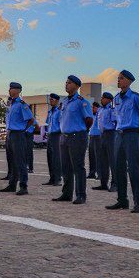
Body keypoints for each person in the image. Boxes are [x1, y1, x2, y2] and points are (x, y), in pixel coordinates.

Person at [106, 70, 139, 213]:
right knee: (118, 168)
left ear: (129, 81)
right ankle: (122, 200)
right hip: (119, 135)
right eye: (118, 78)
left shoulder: (135, 97)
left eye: (121, 78)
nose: (118, 80)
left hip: (131, 134)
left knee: (134, 169)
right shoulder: (116, 98)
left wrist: (137, 128)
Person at [53, 75, 93, 205]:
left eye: (69, 83)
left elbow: (89, 120)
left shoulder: (82, 102)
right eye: (66, 82)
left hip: (77, 136)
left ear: (76, 86)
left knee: (78, 167)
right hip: (64, 137)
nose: (66, 84)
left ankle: (81, 195)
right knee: (66, 167)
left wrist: (82, 130)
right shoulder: (64, 102)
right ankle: (67, 193)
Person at [0, 82, 33, 195]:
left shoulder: (21, 104)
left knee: (20, 161)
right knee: (11, 160)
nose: (9, 90)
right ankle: (12, 184)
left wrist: (23, 129)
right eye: (9, 88)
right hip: (10, 134)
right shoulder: (10, 104)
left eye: (12, 88)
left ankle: (23, 186)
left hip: (18, 134)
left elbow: (31, 119)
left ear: (18, 90)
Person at [93, 92, 116, 192]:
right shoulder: (100, 110)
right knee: (103, 160)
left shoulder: (112, 110)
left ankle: (115, 184)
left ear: (109, 100)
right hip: (102, 135)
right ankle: (103, 183)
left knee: (112, 161)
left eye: (103, 98)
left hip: (111, 134)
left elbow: (115, 122)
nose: (101, 99)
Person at [43, 94, 63, 186]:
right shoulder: (50, 112)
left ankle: (58, 179)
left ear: (57, 101)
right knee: (50, 157)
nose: (51, 101)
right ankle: (52, 178)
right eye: (50, 99)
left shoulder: (59, 112)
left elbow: (61, 125)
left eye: (52, 99)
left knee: (56, 158)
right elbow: (47, 123)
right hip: (50, 135)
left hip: (57, 135)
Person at [88, 101, 101, 179]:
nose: (92, 109)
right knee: (91, 156)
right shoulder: (91, 115)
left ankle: (100, 174)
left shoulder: (99, 115)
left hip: (98, 137)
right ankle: (92, 173)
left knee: (98, 156)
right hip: (91, 136)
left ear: (97, 108)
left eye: (93, 107)